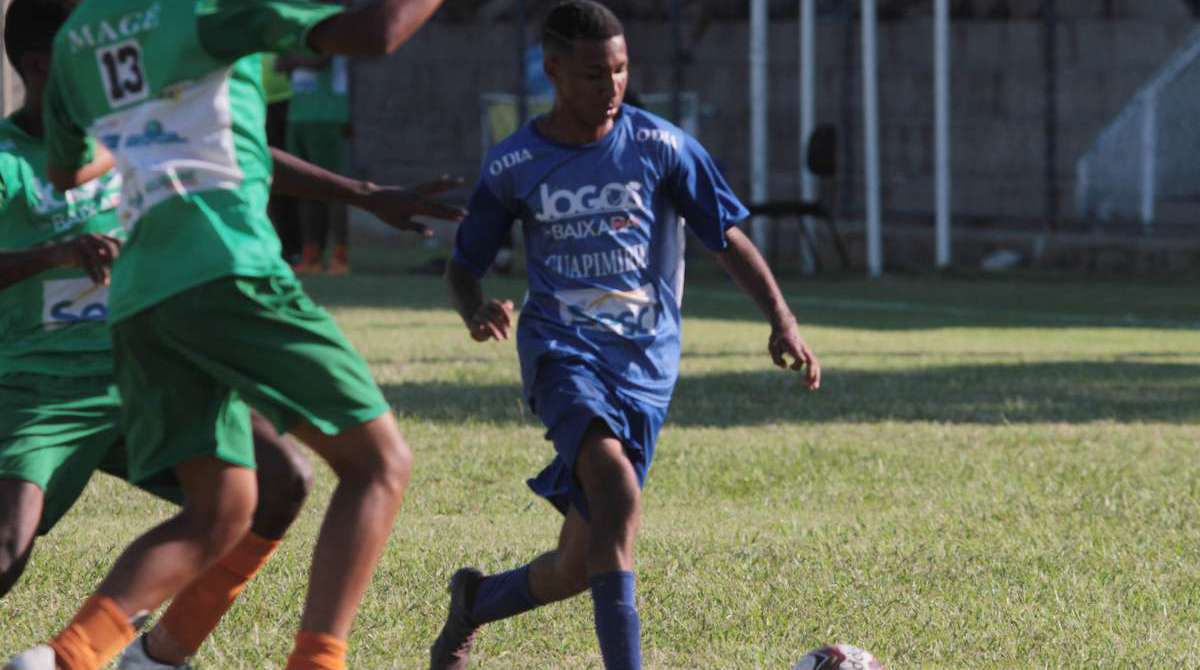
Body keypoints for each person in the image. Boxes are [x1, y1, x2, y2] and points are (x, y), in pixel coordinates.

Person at [7, 1, 459, 669]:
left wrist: (151, 135)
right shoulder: (207, 7)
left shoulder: (80, 37)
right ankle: (318, 661)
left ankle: (69, 658)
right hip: (222, 268)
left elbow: (68, 169)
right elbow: (377, 31)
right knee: (378, 465)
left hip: (138, 305)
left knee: (223, 509)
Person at [433, 2, 821, 669]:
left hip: (644, 366)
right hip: (562, 351)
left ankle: (476, 601)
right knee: (614, 489)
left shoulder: (660, 146)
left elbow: (723, 234)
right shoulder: (515, 163)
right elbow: (464, 264)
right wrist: (475, 307)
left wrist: (780, 317)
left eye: (620, 69)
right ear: (552, 71)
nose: (611, 86)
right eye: (592, 74)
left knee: (577, 563)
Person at [280, 1, 354, 275]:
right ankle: (311, 255)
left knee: (336, 189)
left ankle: (340, 255)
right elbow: (283, 61)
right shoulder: (297, 21)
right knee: (303, 188)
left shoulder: (334, 20)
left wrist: (292, 60)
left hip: (327, 116)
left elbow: (321, 59)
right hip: (298, 113)